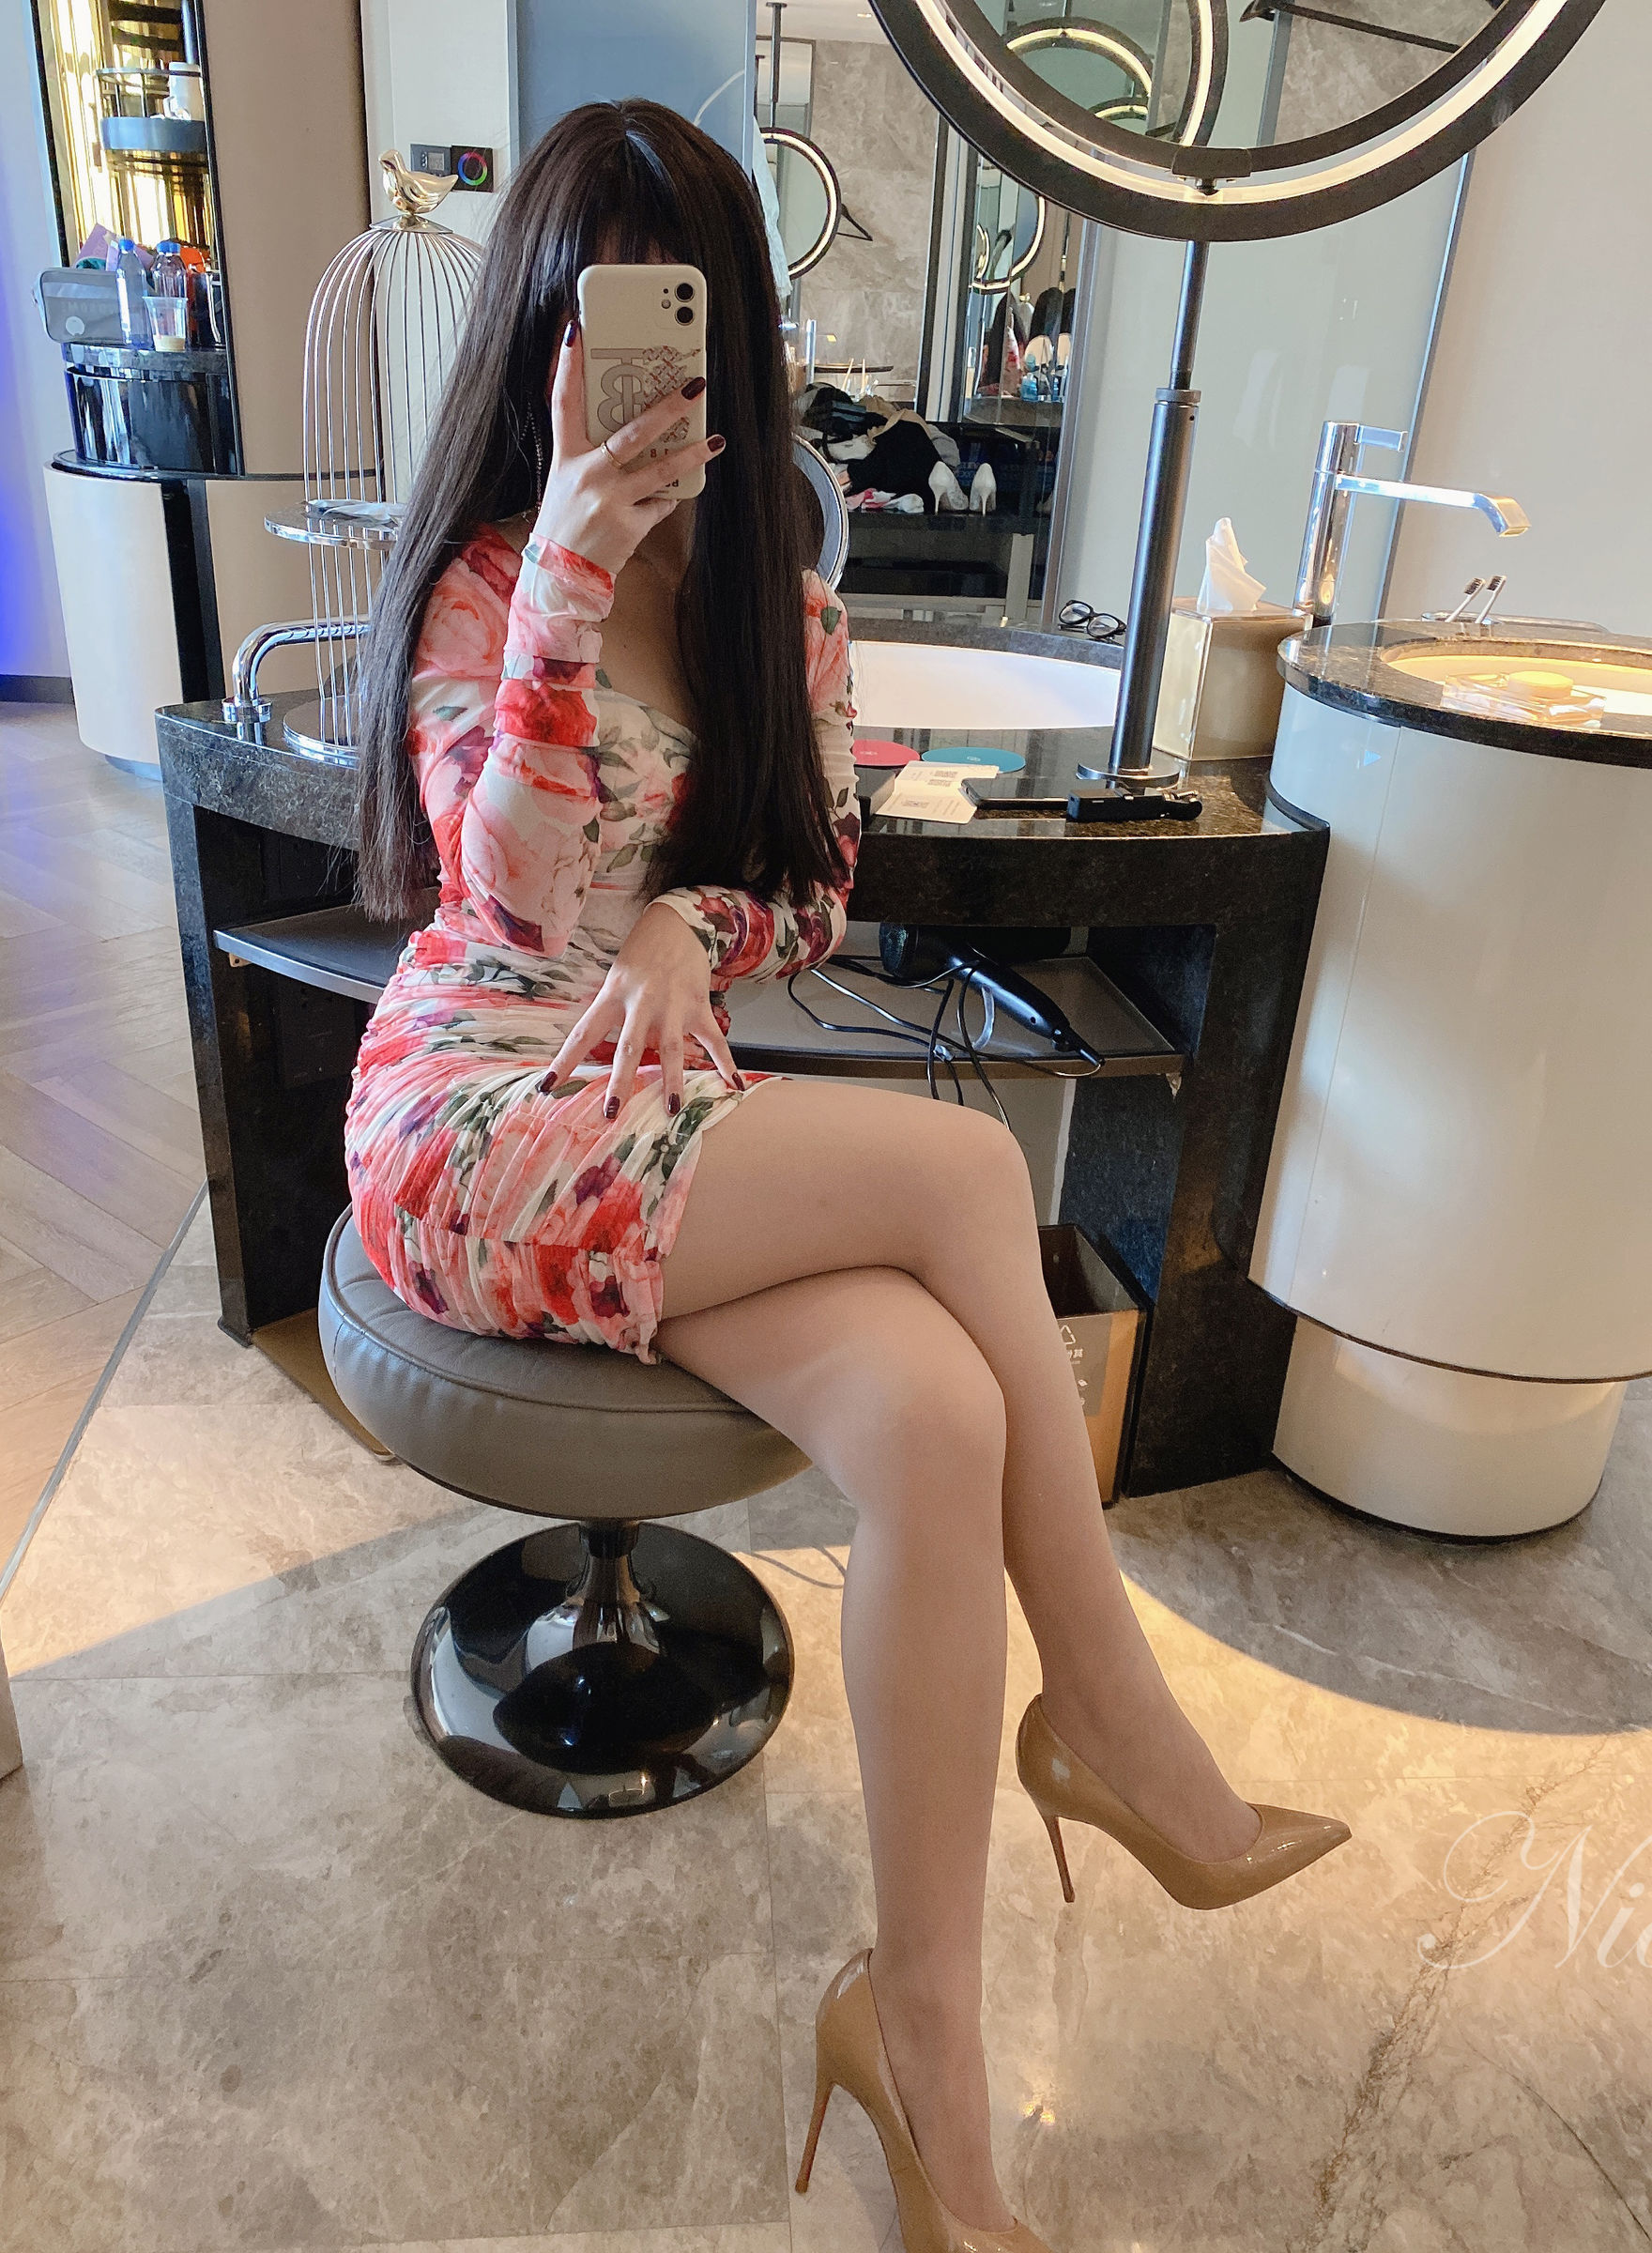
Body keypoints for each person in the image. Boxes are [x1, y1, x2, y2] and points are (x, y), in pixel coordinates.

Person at [352, 99, 1349, 2253]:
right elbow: (494, 898)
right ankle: (1118, 1722)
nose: (653, 369)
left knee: (939, 1415)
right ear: (543, 337)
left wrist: (689, 922)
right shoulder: (488, 586)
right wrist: (574, 576)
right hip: (473, 1114)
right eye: (607, 319)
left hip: (649, 1117)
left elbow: (812, 894)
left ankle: (923, 2049)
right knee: (968, 1178)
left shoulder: (779, 609)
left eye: (689, 320)